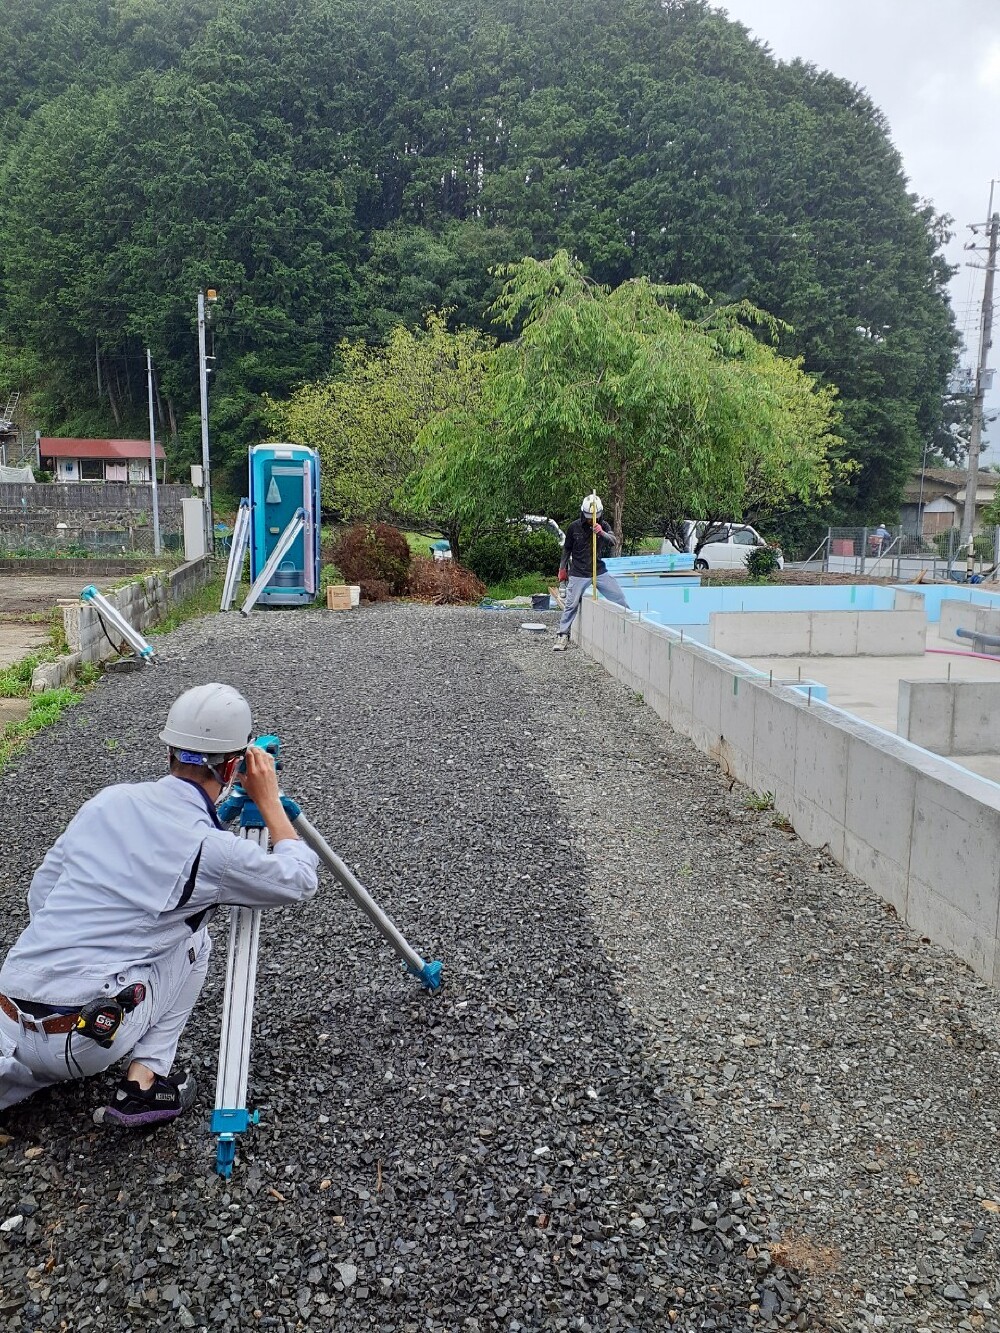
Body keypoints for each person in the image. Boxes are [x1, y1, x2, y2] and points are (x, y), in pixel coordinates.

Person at [0, 683, 319, 1126]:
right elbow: (300, 879)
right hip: (85, 1042)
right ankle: (143, 1086)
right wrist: (268, 802)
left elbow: (42, 893)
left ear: (170, 749)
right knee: (197, 941)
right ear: (233, 767)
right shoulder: (209, 849)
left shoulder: (107, 801)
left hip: (8, 1021)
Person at [553, 493, 629, 651]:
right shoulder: (574, 527)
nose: (590, 519)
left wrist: (601, 532)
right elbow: (567, 549)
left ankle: (630, 626)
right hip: (578, 572)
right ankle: (562, 636)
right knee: (571, 604)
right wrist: (562, 569)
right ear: (583, 513)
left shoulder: (604, 526)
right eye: (588, 517)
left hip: (598, 570)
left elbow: (614, 541)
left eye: (593, 516)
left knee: (619, 598)